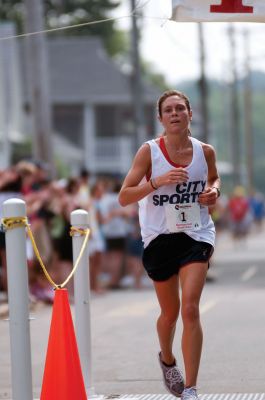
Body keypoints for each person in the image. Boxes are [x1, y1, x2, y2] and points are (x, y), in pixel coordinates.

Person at [118, 90, 220, 400]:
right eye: (168, 110)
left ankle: (191, 387)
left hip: (196, 234)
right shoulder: (149, 152)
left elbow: (213, 179)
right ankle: (167, 359)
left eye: (180, 108)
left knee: (190, 308)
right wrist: (156, 182)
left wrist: (213, 192)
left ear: (191, 114)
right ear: (160, 118)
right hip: (159, 238)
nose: (175, 114)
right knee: (170, 314)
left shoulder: (206, 151)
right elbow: (124, 196)